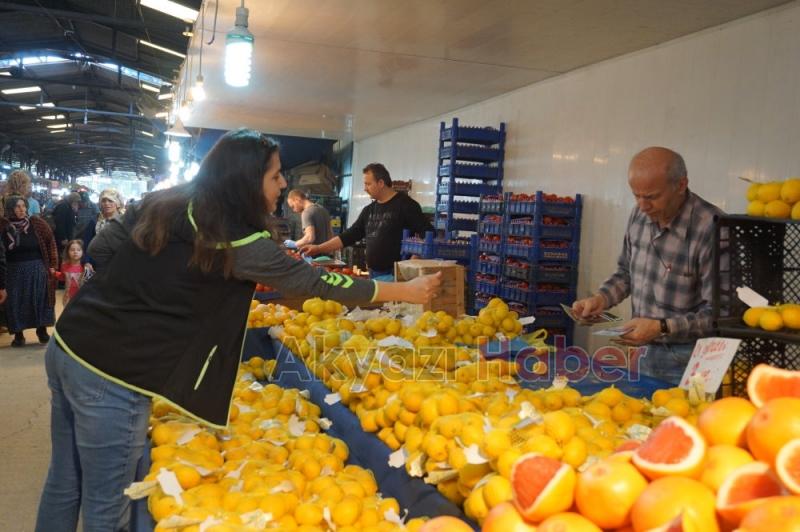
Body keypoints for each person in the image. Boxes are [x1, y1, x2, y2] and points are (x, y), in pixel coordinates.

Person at [35, 129, 441, 531]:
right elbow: (313, 282)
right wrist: (402, 289)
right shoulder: (235, 237)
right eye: (275, 175)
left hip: (71, 342)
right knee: (110, 505)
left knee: (65, 479)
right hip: (115, 371)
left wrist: (151, 290)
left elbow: (103, 251)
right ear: (247, 181)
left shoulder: (169, 200)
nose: (284, 183)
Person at [572, 146, 724, 385]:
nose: (643, 206)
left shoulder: (712, 229)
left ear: (681, 185)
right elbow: (625, 273)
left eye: (652, 197)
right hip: (645, 353)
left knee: (684, 419)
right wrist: (600, 299)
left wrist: (661, 327)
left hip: (693, 362)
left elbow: (720, 314)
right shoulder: (639, 216)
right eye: (636, 195)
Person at [301, 163, 433, 280]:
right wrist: (318, 248)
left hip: (396, 275)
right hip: (373, 273)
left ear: (381, 183)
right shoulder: (369, 210)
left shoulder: (406, 205)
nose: (365, 188)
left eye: (368, 184)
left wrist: (410, 265)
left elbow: (428, 233)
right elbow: (349, 236)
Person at [0, 195, 58, 347]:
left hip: (37, 269)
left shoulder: (36, 223)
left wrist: (52, 265)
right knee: (15, 302)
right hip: (13, 271)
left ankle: (42, 331)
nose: (21, 209)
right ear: (9, 209)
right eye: (17, 206)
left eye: (23, 206)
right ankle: (19, 335)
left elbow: (50, 241)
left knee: (39, 299)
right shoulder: (3, 226)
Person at [59, 240, 91, 307]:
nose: (75, 252)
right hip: (68, 299)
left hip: (82, 299)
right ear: (68, 252)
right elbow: (62, 278)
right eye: (72, 250)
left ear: (82, 252)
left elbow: (90, 284)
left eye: (78, 250)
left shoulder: (86, 267)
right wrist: (54, 273)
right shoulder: (64, 266)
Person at [52, 192, 80, 258]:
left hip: (67, 237)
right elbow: (60, 223)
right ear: (72, 199)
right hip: (62, 238)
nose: (77, 203)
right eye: (76, 201)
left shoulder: (68, 206)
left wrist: (74, 211)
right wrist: (63, 238)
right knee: (62, 256)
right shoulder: (63, 206)